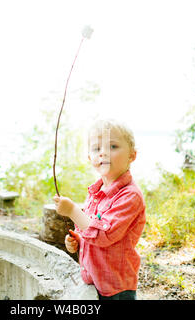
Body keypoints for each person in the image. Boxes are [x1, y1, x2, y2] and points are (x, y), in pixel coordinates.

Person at [53, 119, 146, 300]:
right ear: (90, 158)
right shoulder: (96, 192)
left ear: (132, 156)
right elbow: (89, 228)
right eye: (97, 149)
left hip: (115, 287)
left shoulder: (130, 196)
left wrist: (72, 210)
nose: (103, 153)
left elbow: (104, 235)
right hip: (94, 279)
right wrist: (78, 240)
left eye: (112, 146)